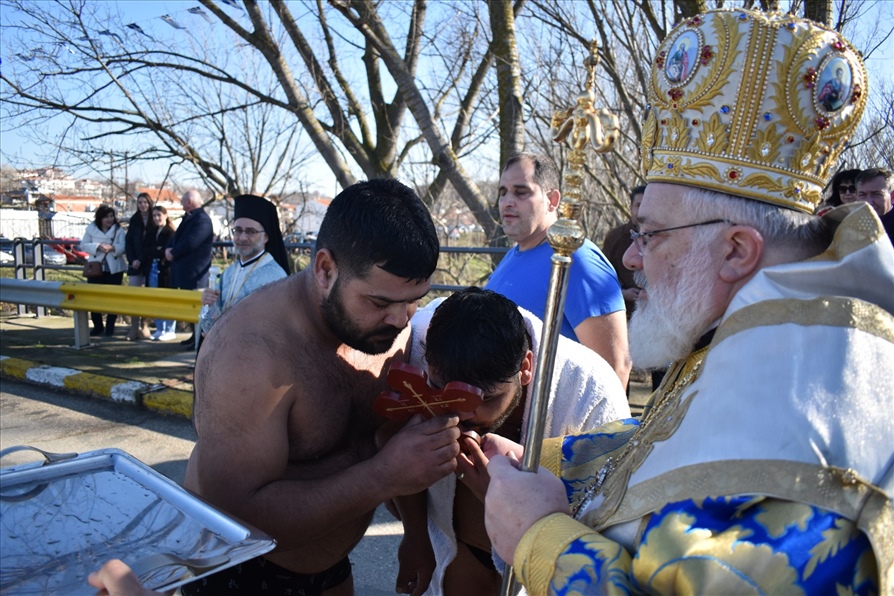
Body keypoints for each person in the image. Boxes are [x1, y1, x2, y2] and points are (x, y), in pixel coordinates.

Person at [482, 9, 893, 594]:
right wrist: (545, 461)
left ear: (735, 250)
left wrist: (539, 535)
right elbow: (673, 446)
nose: (631, 257)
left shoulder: (809, 450)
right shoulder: (774, 330)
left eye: (649, 234)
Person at [180, 179, 461, 595]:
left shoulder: (389, 330)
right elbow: (239, 517)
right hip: (240, 570)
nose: (401, 320)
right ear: (326, 270)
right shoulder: (248, 356)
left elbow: (383, 438)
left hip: (330, 564)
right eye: (380, 303)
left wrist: (416, 537)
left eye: (414, 300)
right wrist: (384, 477)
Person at [393, 287, 629, 595]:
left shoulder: (589, 393)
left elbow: (610, 521)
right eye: (443, 392)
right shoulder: (416, 345)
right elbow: (393, 441)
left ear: (527, 368)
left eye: (487, 398)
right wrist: (416, 536)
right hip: (461, 554)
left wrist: (504, 499)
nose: (463, 414)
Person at [486, 152, 631, 388]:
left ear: (552, 200)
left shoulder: (577, 260)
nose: (507, 201)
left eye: (521, 192)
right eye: (502, 192)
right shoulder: (513, 256)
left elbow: (615, 368)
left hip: (554, 422)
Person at [198, 194, 290, 339]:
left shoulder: (276, 278)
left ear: (266, 237)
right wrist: (208, 305)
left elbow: (274, 329)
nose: (242, 238)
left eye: (251, 232)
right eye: (238, 230)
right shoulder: (229, 273)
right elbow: (215, 317)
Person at [165, 189, 213, 347]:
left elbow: (192, 242)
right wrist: (169, 249)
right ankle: (194, 337)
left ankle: (199, 339)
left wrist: (174, 253)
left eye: (183, 200)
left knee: (198, 308)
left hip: (196, 273)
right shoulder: (190, 218)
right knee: (192, 308)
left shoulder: (202, 220)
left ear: (190, 202)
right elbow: (176, 237)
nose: (181, 203)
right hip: (187, 272)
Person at [81, 205, 127, 337]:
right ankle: (97, 326)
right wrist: (97, 247)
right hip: (96, 267)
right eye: (106, 217)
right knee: (94, 298)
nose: (109, 219)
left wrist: (113, 248)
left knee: (113, 299)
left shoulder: (118, 230)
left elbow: (123, 247)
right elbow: (83, 245)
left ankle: (110, 328)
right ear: (100, 218)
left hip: (114, 268)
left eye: (111, 216)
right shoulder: (91, 229)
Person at [602, 185, 645, 317]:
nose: (642, 210)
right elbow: (602, 278)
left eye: (646, 205)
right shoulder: (615, 238)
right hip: (623, 313)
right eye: (638, 205)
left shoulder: (664, 237)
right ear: (631, 208)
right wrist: (623, 293)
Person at [124, 192, 156, 341]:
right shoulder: (134, 220)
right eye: (140, 202)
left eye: (145, 202)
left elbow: (152, 245)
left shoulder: (154, 220)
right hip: (135, 264)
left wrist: (141, 259)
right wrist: (132, 260)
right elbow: (128, 242)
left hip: (149, 263)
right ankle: (133, 327)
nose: (142, 205)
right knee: (134, 296)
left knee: (148, 296)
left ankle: (145, 325)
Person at [145, 205, 177, 341]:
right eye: (154, 216)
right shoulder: (152, 232)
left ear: (165, 215)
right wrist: (158, 250)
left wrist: (159, 250)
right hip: (153, 267)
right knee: (155, 298)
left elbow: (167, 250)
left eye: (159, 215)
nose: (157, 218)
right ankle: (160, 328)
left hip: (165, 269)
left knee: (167, 298)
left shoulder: (170, 232)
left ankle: (169, 329)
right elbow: (148, 249)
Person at [854, 167, 894, 243]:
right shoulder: (848, 226)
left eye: (876, 194)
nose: (868, 202)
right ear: (856, 196)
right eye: (862, 195)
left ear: (892, 196)